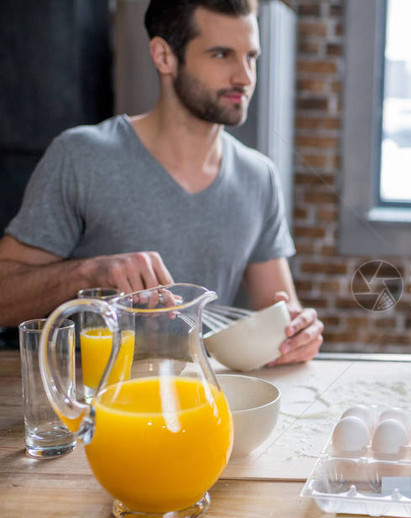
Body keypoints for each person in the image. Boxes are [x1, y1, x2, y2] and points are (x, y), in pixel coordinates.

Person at [0, 0, 322, 364]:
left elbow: (279, 309)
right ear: (163, 56)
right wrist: (89, 272)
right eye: (221, 55)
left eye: (251, 57)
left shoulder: (258, 176)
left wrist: (298, 334)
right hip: (99, 408)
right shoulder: (79, 156)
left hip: (201, 403)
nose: (244, 77)